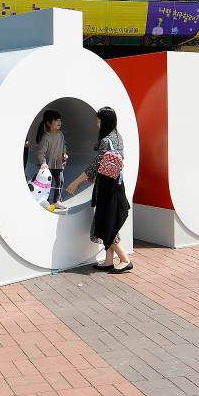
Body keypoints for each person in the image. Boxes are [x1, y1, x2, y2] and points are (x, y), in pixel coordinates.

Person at [65, 107, 132, 273]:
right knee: (107, 220)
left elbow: (94, 167)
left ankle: (124, 259)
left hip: (106, 188)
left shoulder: (105, 140)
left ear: (104, 121)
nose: (97, 122)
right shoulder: (118, 137)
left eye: (99, 119)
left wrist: (75, 183)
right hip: (117, 184)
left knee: (105, 222)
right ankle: (109, 260)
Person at [33, 109, 69, 206]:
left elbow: (64, 145)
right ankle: (44, 199)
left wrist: (64, 153)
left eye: (60, 120)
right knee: (47, 183)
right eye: (56, 120)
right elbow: (40, 152)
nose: (59, 122)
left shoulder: (61, 134)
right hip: (47, 166)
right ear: (49, 123)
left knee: (60, 181)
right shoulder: (46, 137)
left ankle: (57, 200)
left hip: (58, 163)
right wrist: (43, 163)